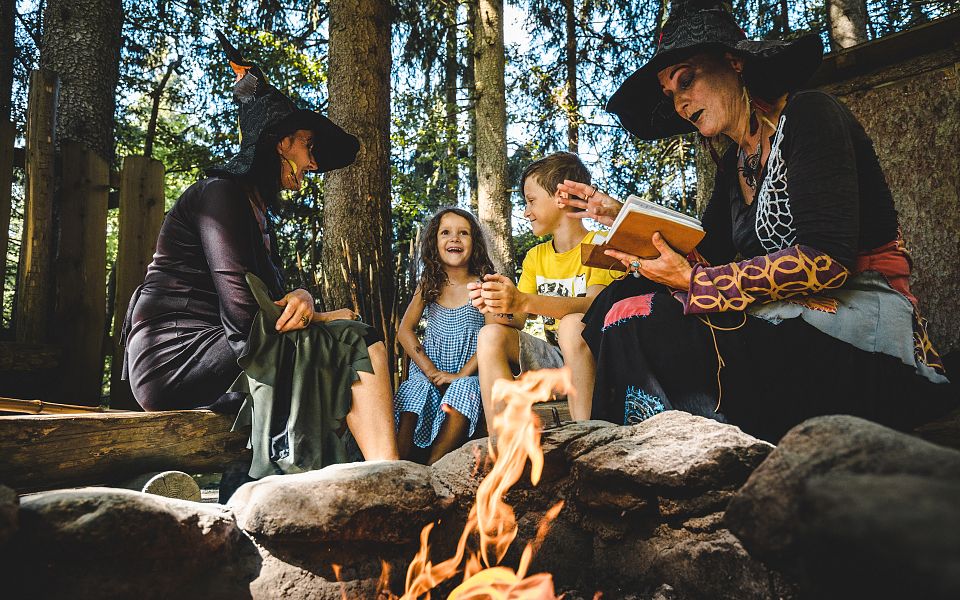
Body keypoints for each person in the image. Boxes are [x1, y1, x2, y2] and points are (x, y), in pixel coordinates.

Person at [561, 0, 953, 442]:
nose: (680, 102)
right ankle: (638, 447)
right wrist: (622, 216)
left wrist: (697, 283)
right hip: (782, 319)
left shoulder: (810, 114)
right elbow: (706, 255)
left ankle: (685, 451)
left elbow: (828, 262)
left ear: (735, 63)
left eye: (686, 80)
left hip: (861, 332)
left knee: (643, 319)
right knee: (620, 299)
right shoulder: (734, 164)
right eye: (670, 95)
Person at [121, 32, 398, 464]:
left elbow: (277, 307)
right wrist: (321, 316)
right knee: (357, 341)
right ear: (281, 142)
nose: (313, 163)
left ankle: (374, 476)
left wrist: (303, 298)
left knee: (347, 344)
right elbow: (246, 317)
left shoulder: (256, 213)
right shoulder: (220, 194)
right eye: (308, 147)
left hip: (221, 352)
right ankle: (389, 474)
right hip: (174, 360)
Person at [468, 152, 618, 430]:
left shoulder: (601, 243)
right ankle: (504, 438)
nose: (526, 212)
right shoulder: (535, 257)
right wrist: (495, 303)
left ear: (561, 197)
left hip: (596, 359)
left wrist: (523, 300)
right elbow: (516, 320)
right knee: (490, 335)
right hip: (556, 362)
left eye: (531, 200)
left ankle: (586, 433)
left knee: (572, 324)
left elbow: (594, 305)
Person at [394, 208, 496, 464]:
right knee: (414, 388)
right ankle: (397, 464)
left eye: (463, 233)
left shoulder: (483, 286)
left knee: (464, 389)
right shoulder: (429, 284)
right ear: (434, 242)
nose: (455, 238)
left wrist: (461, 375)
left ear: (475, 242)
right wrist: (430, 371)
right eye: (446, 232)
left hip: (470, 372)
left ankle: (434, 466)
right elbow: (405, 331)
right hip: (432, 371)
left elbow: (494, 338)